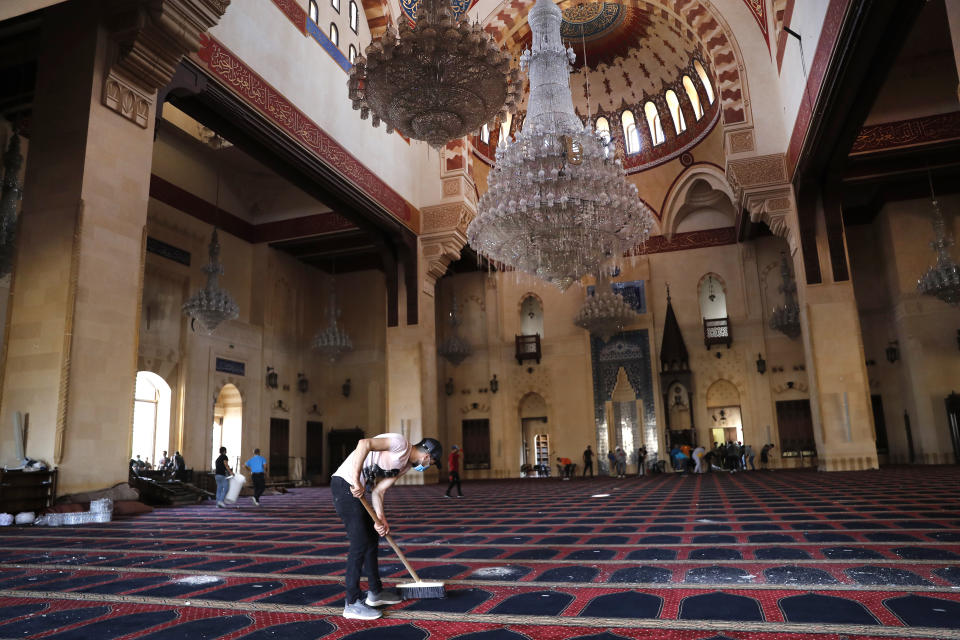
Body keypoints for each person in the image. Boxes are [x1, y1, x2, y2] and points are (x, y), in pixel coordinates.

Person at [331, 433, 442, 620]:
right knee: (359, 543)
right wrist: (356, 478)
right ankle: (351, 603)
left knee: (372, 539)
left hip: (360, 490)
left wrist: (381, 519)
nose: (427, 466)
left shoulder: (405, 465)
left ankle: (375, 593)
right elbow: (363, 443)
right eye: (431, 462)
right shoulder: (400, 444)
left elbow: (379, 491)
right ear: (426, 456)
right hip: (345, 484)